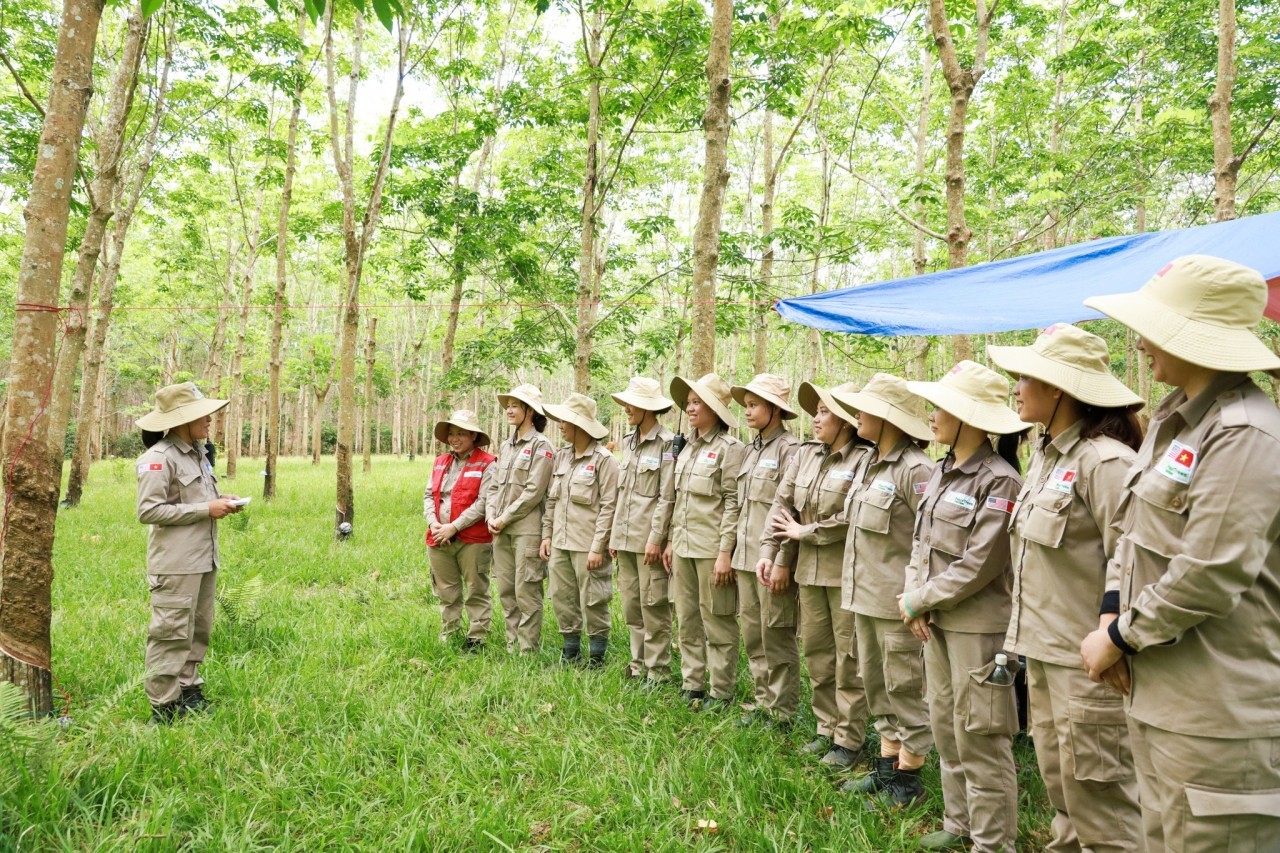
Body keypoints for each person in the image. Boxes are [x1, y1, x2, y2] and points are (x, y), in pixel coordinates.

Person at [1079, 255, 1280, 852]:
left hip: (1217, 716)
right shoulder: (1173, 421)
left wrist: (1117, 639)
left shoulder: (1244, 433)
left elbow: (1209, 572)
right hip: (1158, 696)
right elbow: (1131, 534)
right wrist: (1112, 614)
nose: (1140, 344)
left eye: (1154, 328)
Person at [988, 324, 1144, 852]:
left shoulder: (1106, 462)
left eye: (1025, 377)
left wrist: (1114, 635)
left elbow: (1134, 558)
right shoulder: (1048, 459)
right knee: (1065, 797)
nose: (1015, 386)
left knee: (1105, 809)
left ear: (1058, 388)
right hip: (1047, 657)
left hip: (1091, 667)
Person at [902, 361, 1028, 852]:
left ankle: (993, 843)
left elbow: (981, 565)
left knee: (981, 735)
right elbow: (920, 544)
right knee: (946, 725)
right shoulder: (941, 471)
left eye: (941, 407)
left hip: (979, 627)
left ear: (969, 417)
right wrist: (917, 599)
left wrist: (918, 598)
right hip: (937, 622)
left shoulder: (999, 482)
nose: (932, 416)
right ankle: (960, 824)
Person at [830, 374, 935, 805]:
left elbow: (928, 541)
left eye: (864, 407)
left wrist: (919, 599)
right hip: (864, 597)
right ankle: (887, 766)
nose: (855, 414)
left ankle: (908, 782)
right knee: (877, 687)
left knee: (905, 691)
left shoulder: (916, 471)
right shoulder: (869, 463)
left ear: (888, 417)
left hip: (897, 605)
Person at [761, 380, 871, 770]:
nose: (816, 418)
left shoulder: (864, 460)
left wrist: (806, 532)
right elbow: (783, 504)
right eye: (816, 411)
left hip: (846, 573)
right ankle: (826, 727)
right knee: (819, 654)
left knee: (848, 658)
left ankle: (849, 738)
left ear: (844, 420)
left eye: (824, 412)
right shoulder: (806, 456)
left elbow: (852, 517)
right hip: (809, 571)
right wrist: (772, 553)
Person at [135, 382, 244, 724]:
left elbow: (195, 498)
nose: (210, 420)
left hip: (203, 558)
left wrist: (220, 501)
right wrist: (204, 510)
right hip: (176, 564)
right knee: (170, 632)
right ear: (182, 420)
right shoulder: (158, 459)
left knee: (198, 628)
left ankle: (189, 690)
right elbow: (148, 511)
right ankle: (164, 706)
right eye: (203, 415)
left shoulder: (197, 453)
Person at [662, 373, 745, 707]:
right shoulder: (686, 448)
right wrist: (670, 540)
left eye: (698, 402)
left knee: (718, 620)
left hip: (711, 549)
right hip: (683, 546)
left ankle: (721, 690)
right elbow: (678, 499)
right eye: (690, 402)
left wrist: (725, 552)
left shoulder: (730, 449)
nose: (691, 408)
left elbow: (733, 502)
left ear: (714, 408)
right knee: (687, 618)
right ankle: (692, 682)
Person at [729, 374, 801, 728]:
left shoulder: (792, 450)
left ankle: (782, 710)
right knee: (753, 633)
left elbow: (793, 511)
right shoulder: (750, 449)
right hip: (746, 557)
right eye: (746, 405)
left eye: (755, 405)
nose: (748, 411)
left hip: (771, 560)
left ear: (775, 410)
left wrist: (782, 559)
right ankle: (763, 702)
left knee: (776, 632)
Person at [541, 393, 620, 668]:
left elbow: (610, 507)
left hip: (587, 545)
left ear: (580, 425)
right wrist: (547, 535)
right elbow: (552, 500)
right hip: (561, 543)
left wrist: (598, 546)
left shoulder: (604, 461)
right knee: (562, 598)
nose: (560, 425)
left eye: (565, 421)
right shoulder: (561, 457)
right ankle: (570, 653)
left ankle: (597, 657)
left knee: (594, 600)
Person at [608, 377, 676, 684]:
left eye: (631, 404)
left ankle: (658, 671)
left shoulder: (668, 444)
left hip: (648, 542)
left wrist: (656, 539)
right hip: (625, 539)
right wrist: (613, 536)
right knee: (631, 606)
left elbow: (666, 496)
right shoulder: (628, 442)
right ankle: (637, 666)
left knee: (654, 607)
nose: (626, 409)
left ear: (648, 408)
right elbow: (621, 494)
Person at [486, 384, 555, 654]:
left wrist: (504, 518)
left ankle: (528, 650)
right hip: (500, 530)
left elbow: (534, 492)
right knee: (506, 590)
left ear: (529, 411)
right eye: (508, 405)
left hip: (526, 530)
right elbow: (494, 486)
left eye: (516, 405)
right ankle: (512, 645)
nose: (509, 410)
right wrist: (492, 516)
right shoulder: (506, 445)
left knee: (527, 592)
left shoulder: (542, 447)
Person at [425, 409, 497, 651]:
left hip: (473, 539)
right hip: (438, 538)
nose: (455, 438)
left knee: (476, 588)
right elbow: (429, 495)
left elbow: (483, 503)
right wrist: (433, 522)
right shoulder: (440, 462)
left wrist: (453, 527)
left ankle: (477, 638)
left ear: (474, 436)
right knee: (446, 591)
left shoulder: (488, 463)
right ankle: (450, 633)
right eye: (452, 433)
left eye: (462, 433)